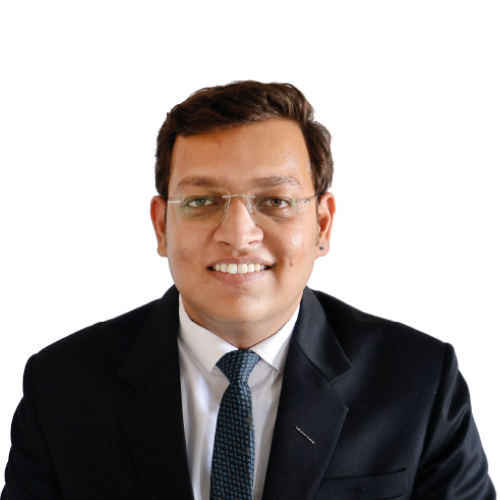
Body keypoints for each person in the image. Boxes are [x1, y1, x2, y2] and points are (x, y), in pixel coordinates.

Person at [1, 80, 494, 500]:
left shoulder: (420, 380)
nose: (238, 234)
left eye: (275, 200)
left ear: (323, 225)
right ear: (160, 226)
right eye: (201, 201)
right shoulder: (60, 386)